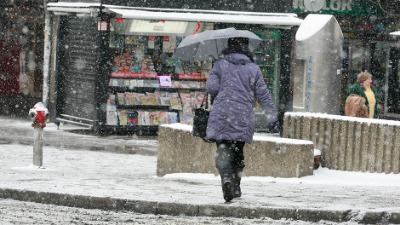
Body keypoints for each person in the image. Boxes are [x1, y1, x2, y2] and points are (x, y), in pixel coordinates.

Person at [205, 37, 278, 202]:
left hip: (222, 114)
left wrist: (215, 71)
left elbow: (211, 88)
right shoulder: (254, 69)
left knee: (223, 151)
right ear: (246, 48)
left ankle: (226, 178)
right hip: (243, 116)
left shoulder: (220, 65)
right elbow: (263, 95)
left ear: (229, 47)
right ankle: (236, 186)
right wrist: (272, 117)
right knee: (238, 151)